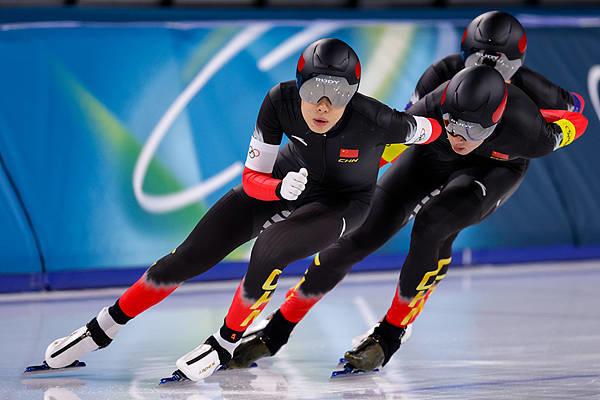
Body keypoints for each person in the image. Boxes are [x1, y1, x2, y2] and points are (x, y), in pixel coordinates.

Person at [30, 38, 441, 382]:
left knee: (270, 247)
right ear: (298, 86)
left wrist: (453, 132)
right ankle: (102, 327)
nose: (323, 105)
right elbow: (252, 178)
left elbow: (434, 128)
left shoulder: (377, 118)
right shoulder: (279, 101)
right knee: (187, 256)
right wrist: (277, 187)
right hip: (286, 178)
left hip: (343, 202)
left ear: (353, 96)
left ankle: (226, 341)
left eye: (338, 95)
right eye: (314, 91)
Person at [227, 65, 588, 372]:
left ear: (496, 122)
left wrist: (556, 116)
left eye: (473, 130)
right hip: (431, 156)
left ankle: (390, 333)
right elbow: (383, 146)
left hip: (494, 172)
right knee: (359, 234)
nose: (460, 137)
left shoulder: (530, 131)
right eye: (454, 125)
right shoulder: (435, 104)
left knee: (434, 224)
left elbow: (577, 121)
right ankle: (278, 327)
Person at [379, 10, 584, 168]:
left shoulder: (533, 87)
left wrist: (536, 120)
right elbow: (409, 123)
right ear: (463, 56)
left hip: (495, 161)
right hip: (446, 147)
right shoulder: (442, 72)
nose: (487, 72)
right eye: (477, 60)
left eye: (500, 65)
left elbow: (574, 108)